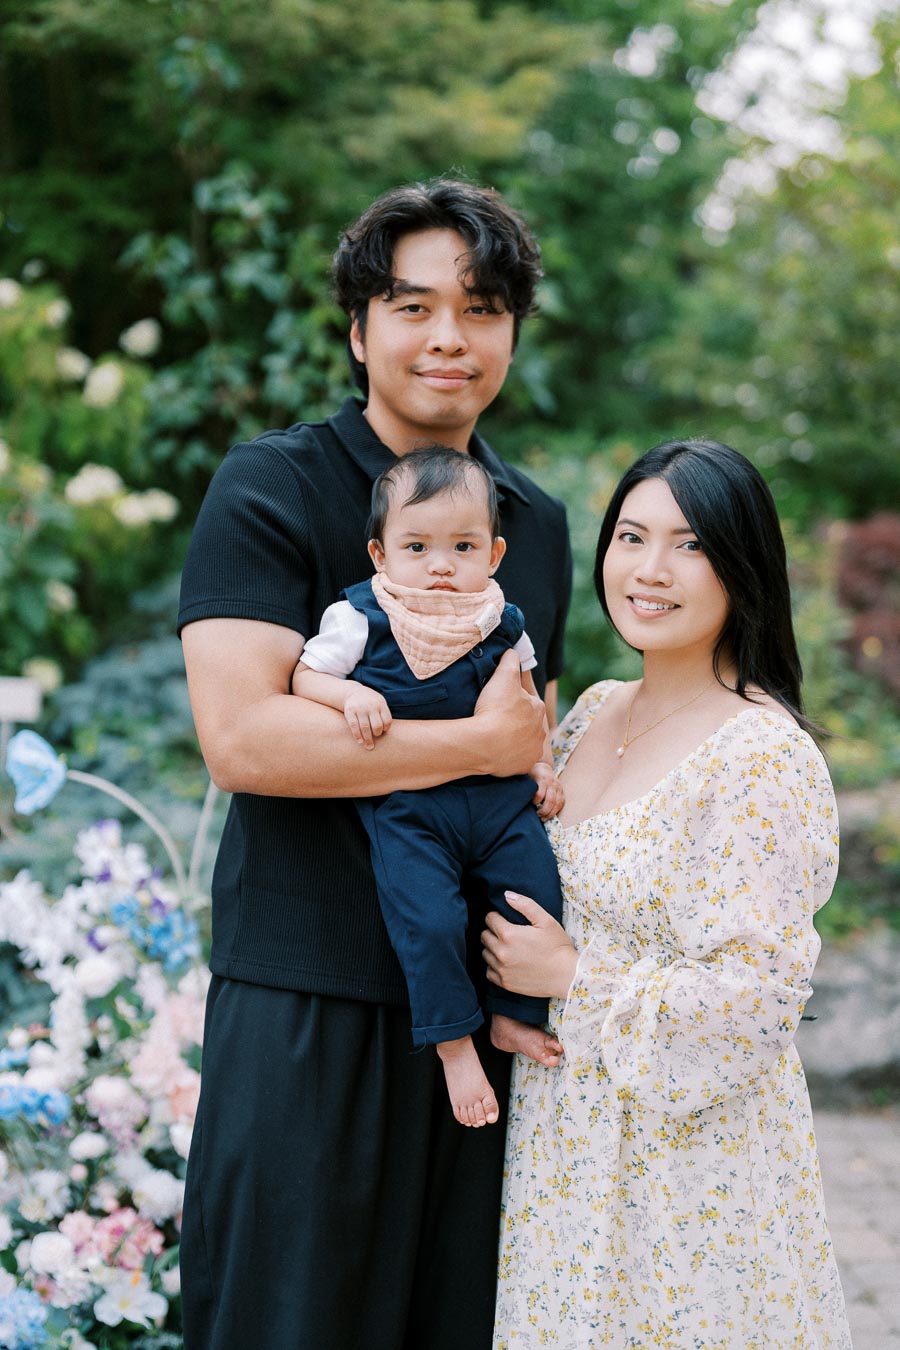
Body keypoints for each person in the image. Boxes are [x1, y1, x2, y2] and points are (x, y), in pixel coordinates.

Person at [176, 178, 572, 1350]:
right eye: (414, 306)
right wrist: (475, 744)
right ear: (360, 330)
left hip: (479, 1021)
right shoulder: (273, 485)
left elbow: (529, 755)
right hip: (306, 1001)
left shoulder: (532, 523)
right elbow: (245, 739)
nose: (450, 337)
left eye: (483, 307)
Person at [483, 438, 852, 1348]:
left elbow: (755, 1005)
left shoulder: (760, 755)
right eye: (631, 537)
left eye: (689, 544)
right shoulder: (589, 712)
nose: (650, 570)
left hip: (691, 1186)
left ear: (742, 565)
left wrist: (572, 975)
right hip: (564, 1156)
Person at [293, 445, 565, 1128]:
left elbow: (528, 706)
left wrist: (542, 767)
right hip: (410, 805)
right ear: (380, 555)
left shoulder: (502, 621)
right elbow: (302, 675)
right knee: (430, 919)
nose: (441, 565)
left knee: (537, 888)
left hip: (499, 802)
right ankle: (453, 1045)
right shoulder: (360, 617)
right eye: (417, 545)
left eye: (463, 545)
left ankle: (515, 1015)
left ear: (494, 554)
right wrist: (342, 696)